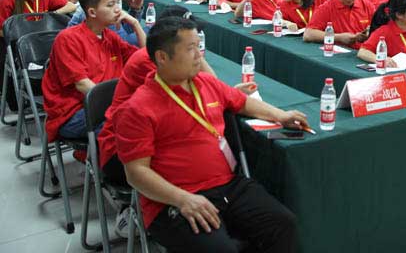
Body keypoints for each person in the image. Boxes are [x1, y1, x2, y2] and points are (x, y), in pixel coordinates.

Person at [116, 16, 303, 252]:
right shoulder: (137, 108)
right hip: (175, 198)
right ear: (162, 57)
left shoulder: (206, 83)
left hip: (228, 186)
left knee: (283, 224)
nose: (199, 55)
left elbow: (243, 102)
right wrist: (182, 199)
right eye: (190, 49)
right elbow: (136, 173)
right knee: (221, 250)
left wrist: (280, 115)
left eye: (199, 46)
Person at [43, 0, 145, 144]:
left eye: (117, 3)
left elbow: (145, 59)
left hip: (108, 105)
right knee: (131, 126)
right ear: (92, 12)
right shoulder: (68, 39)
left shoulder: (109, 36)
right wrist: (122, 103)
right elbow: (83, 85)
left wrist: (136, 24)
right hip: (73, 113)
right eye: (110, 5)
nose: (118, 10)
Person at [305, 0, 374, 50]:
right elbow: (308, 34)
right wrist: (338, 37)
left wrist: (369, 33)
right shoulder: (327, 8)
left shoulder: (366, 5)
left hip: (364, 52)